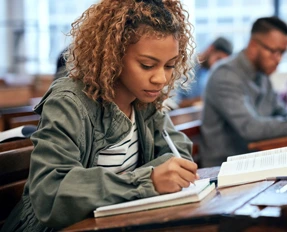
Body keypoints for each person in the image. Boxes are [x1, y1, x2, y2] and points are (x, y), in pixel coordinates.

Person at [2, 0, 198, 231]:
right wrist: (147, 180)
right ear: (113, 55)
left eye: (169, 66)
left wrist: (151, 178)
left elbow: (179, 154)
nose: (161, 79)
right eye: (147, 65)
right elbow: (51, 194)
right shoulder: (68, 102)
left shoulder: (145, 100)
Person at [200, 17, 287, 167]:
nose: (278, 59)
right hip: (224, 168)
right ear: (253, 45)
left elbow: (282, 113)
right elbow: (252, 129)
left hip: (257, 159)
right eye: (274, 51)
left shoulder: (262, 75)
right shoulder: (225, 75)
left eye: (283, 53)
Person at [176, 37, 233, 108]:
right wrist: (204, 99)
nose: (218, 65)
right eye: (218, 59)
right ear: (211, 49)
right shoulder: (184, 67)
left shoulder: (209, 73)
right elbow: (174, 103)